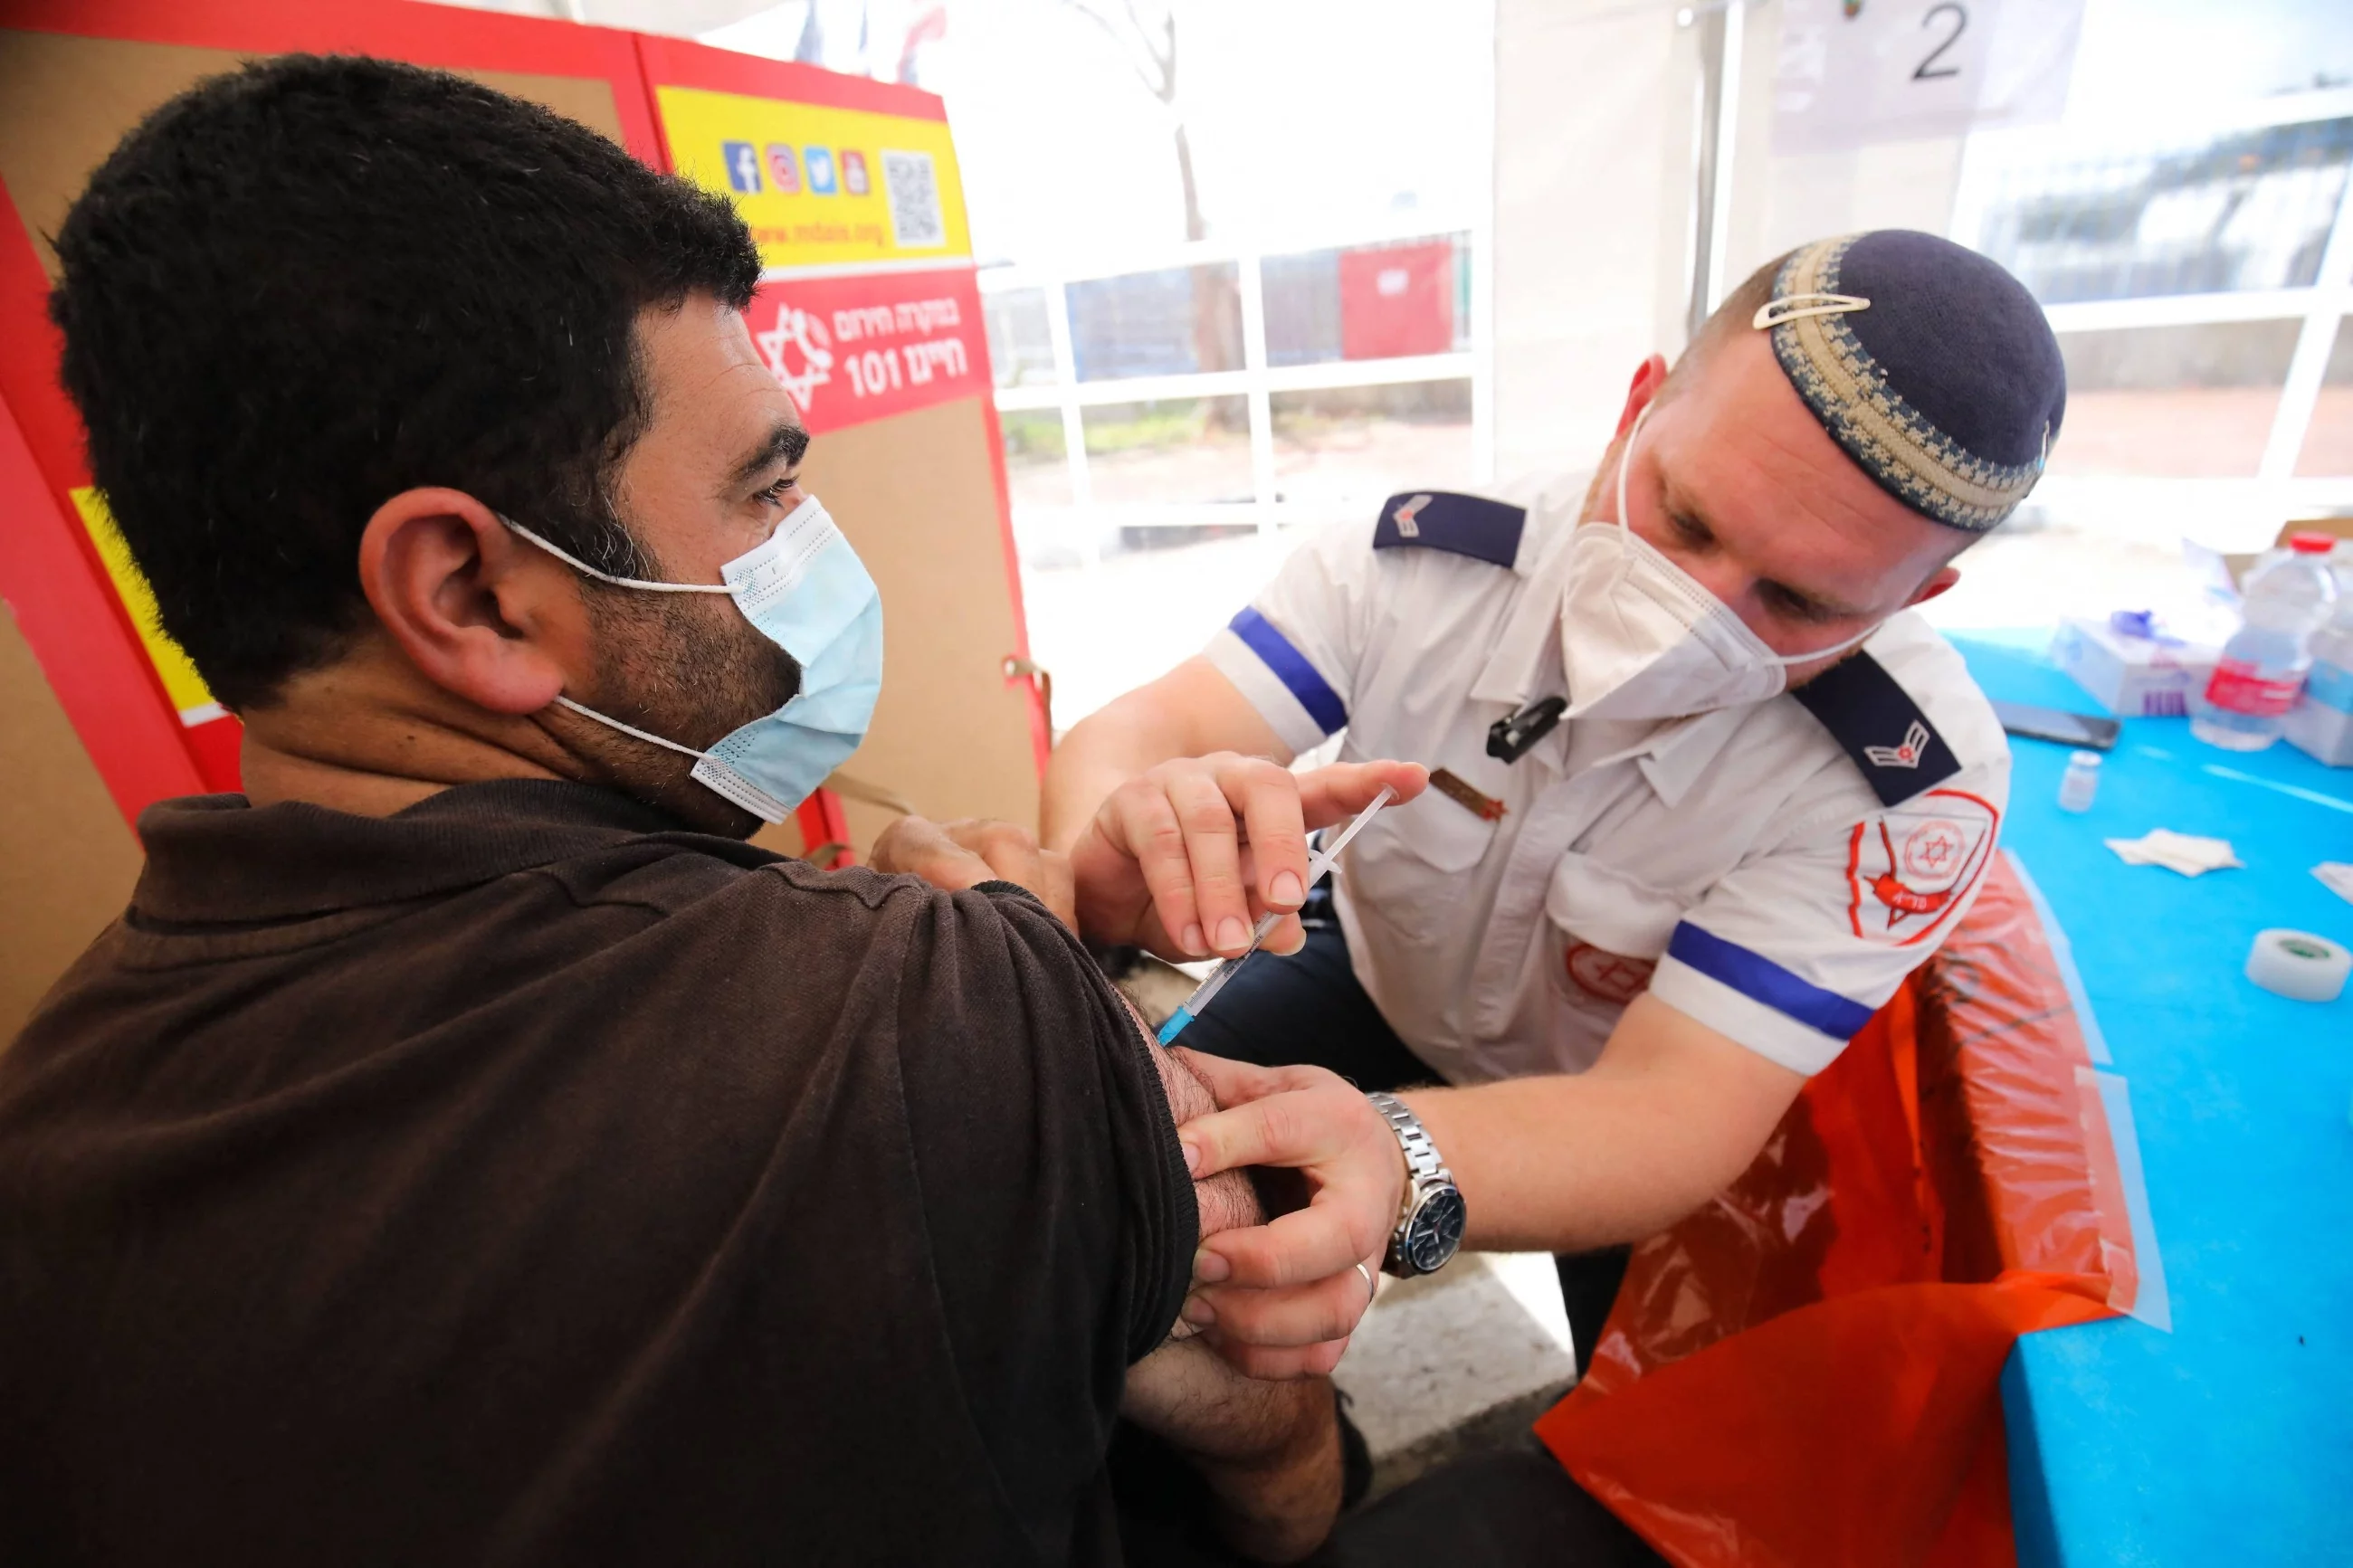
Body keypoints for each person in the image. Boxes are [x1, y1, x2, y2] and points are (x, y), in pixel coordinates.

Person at [0, 57, 1415, 1565]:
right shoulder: (931, 1013)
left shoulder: (48, 1137)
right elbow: (1283, 1471)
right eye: (765, 487)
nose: (815, 537)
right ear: (473, 591)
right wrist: (1015, 998)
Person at [1043, 229, 2062, 1364]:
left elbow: (1671, 1109)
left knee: (1646, 1424)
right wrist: (1115, 837)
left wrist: (1395, 1156)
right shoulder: (1419, 562)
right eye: (1684, 520)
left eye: (1796, 600)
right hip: (1372, 973)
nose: (1693, 608)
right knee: (1120, 1165)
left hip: (1605, 1095)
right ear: (1636, 405)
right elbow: (1147, 730)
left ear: (1920, 592)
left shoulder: (1913, 787)